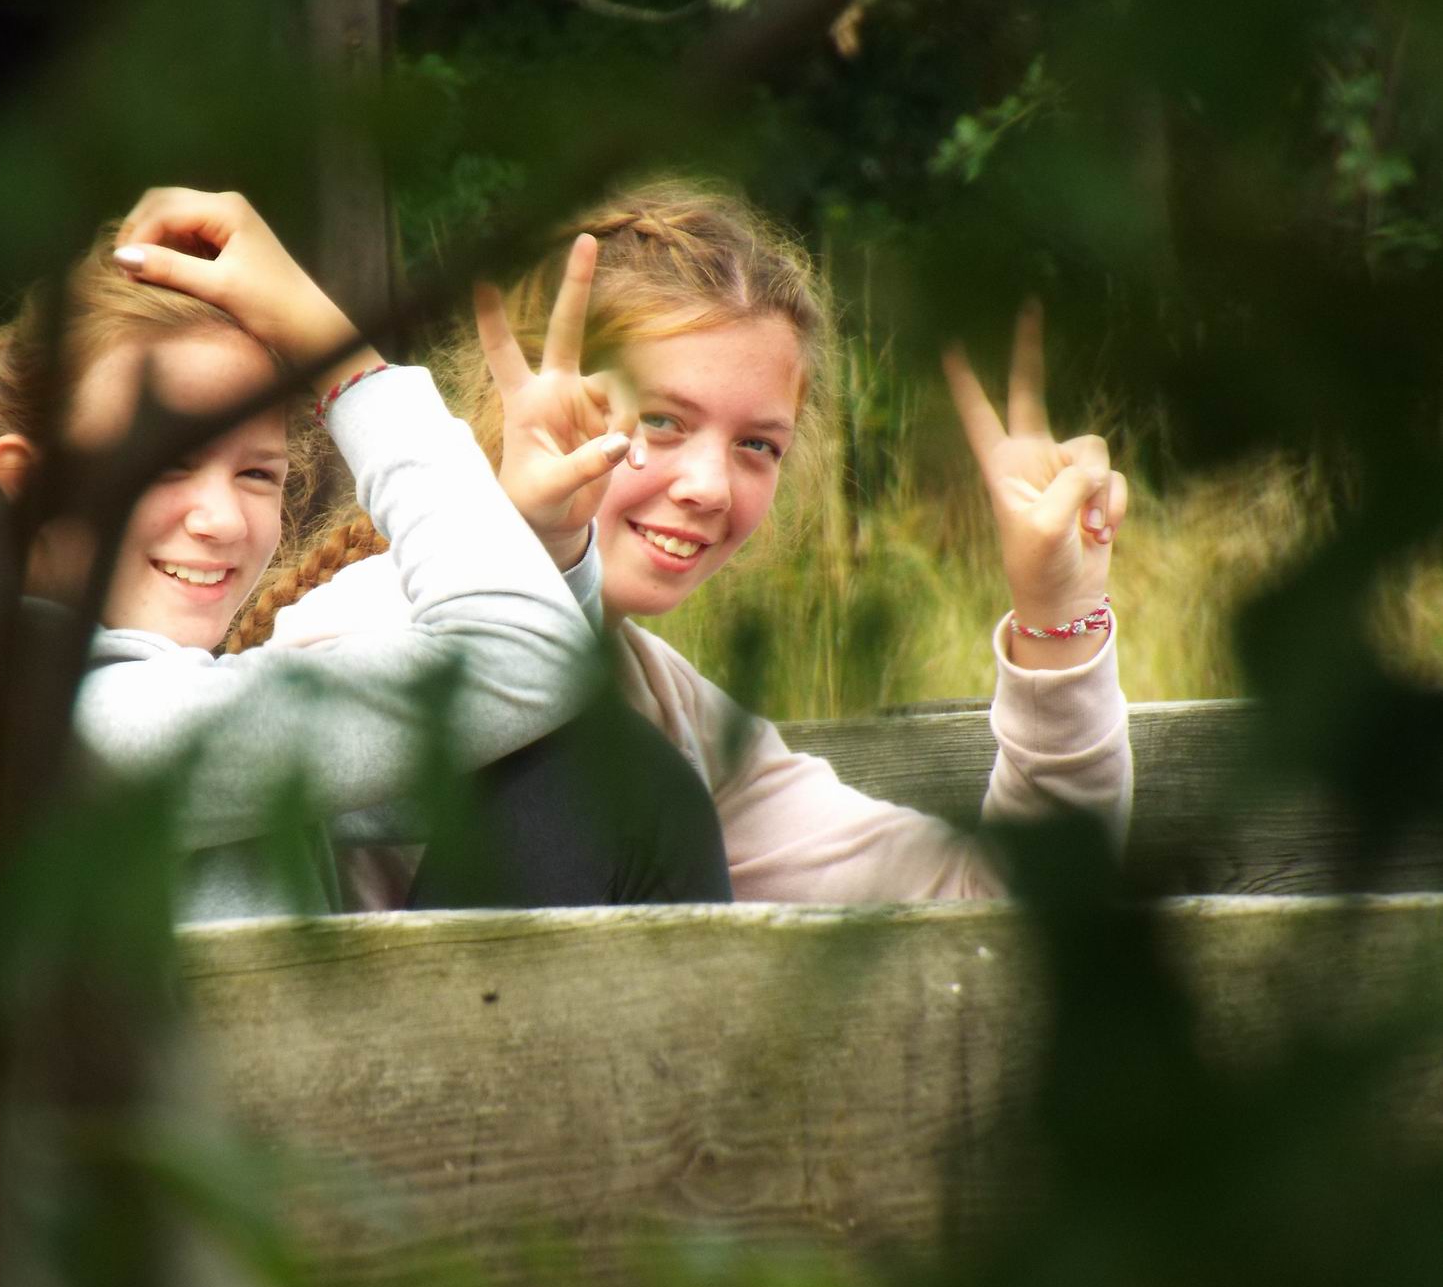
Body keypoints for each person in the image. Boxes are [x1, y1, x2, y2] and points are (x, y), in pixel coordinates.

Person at [224, 177, 1133, 908]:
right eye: (659, 421)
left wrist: (1059, 615)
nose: (708, 486)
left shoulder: (671, 708)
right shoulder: (364, 625)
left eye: (756, 446)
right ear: (534, 406)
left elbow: (995, 900)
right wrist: (537, 542)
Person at [0, 190, 644, 918]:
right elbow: (522, 663)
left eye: (257, 474)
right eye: (163, 464)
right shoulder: (88, 730)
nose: (222, 520)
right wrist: (339, 355)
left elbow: (517, 731)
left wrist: (544, 538)